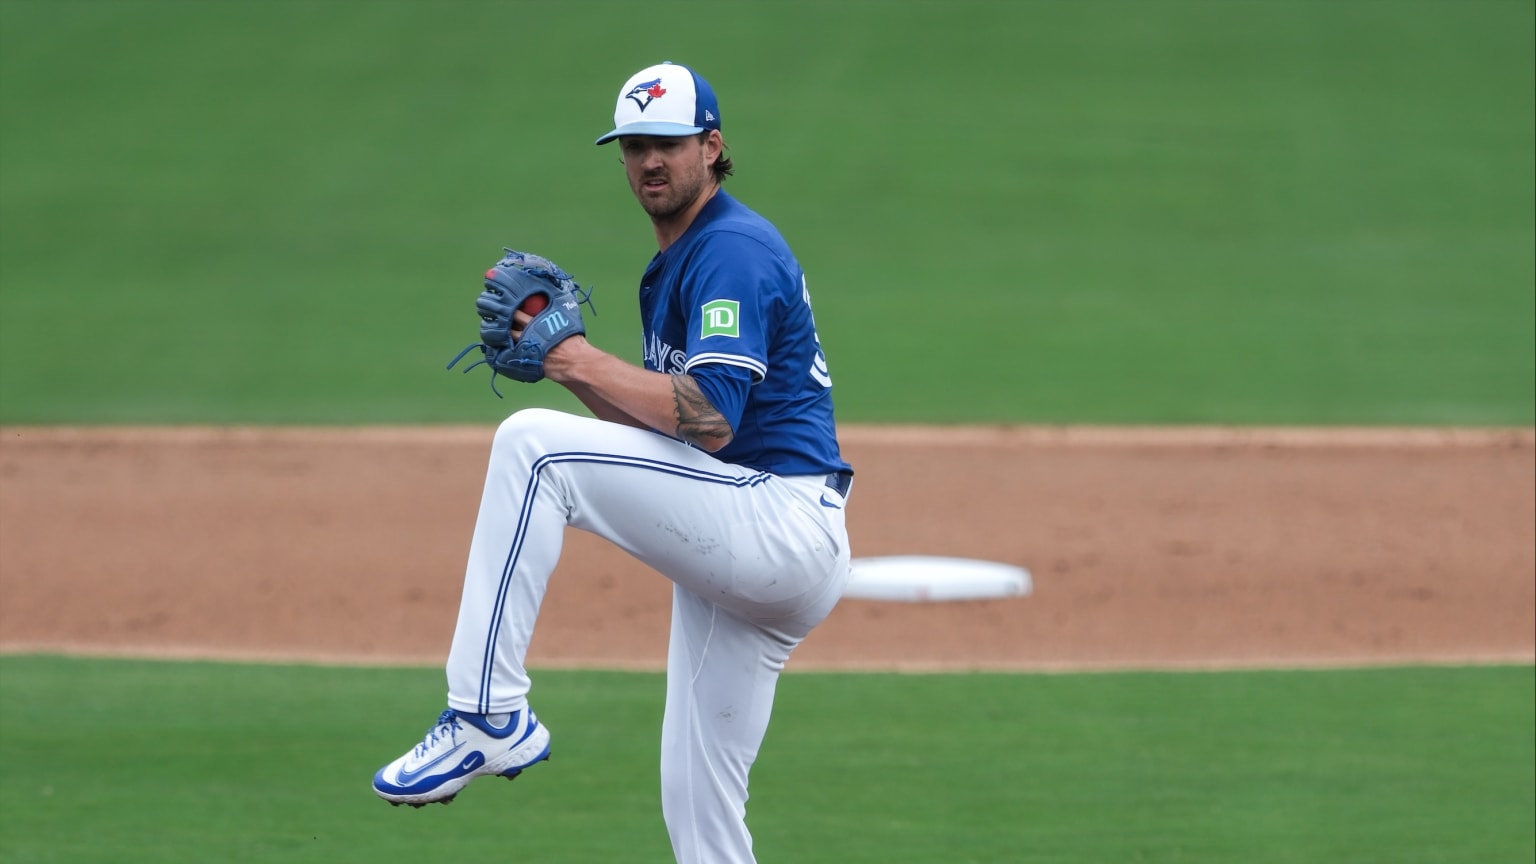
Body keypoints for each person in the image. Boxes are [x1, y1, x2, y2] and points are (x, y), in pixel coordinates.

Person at [373, 61, 854, 864]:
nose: (649, 162)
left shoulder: (731, 250)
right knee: (698, 813)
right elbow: (667, 437)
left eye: (667, 143)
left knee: (531, 447)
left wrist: (573, 359)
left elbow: (708, 419)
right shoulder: (675, 264)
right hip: (747, 536)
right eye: (633, 146)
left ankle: (487, 714)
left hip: (777, 523)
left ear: (712, 145)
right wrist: (574, 369)